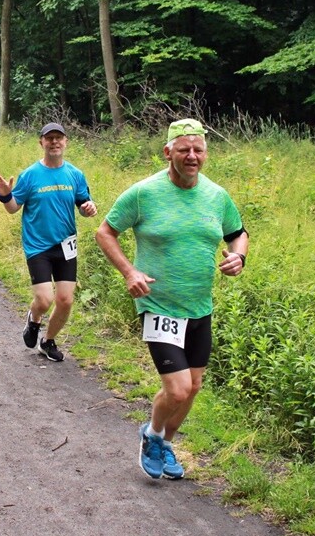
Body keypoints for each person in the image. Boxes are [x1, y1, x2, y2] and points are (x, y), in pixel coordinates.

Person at [95, 118, 249, 480]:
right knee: (177, 389)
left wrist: (238, 256)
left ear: (206, 154)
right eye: (184, 150)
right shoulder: (143, 193)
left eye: (198, 150)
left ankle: (166, 442)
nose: (192, 156)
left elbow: (238, 233)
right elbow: (105, 233)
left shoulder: (217, 195)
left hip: (199, 306)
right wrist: (130, 272)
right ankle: (151, 434)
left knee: (194, 386)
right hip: (158, 303)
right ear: (168, 152)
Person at [0, 123, 97, 362]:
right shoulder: (30, 175)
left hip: (66, 245)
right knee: (45, 299)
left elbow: (84, 204)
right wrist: (6, 194)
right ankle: (34, 319)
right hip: (38, 246)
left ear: (66, 142)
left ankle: (47, 341)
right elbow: (13, 208)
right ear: (42, 142)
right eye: (50, 139)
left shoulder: (75, 174)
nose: (54, 142)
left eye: (59, 138)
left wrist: (89, 208)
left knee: (66, 300)